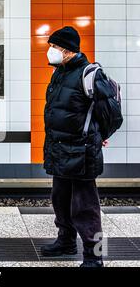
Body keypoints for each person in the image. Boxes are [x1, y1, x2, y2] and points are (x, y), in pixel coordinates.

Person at [41, 26, 110, 268]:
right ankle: (66, 242)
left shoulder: (90, 74)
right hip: (60, 149)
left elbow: (111, 113)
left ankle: (95, 256)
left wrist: (99, 135)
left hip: (81, 152)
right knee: (60, 200)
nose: (50, 51)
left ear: (67, 50)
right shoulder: (60, 73)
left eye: (54, 47)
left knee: (86, 207)